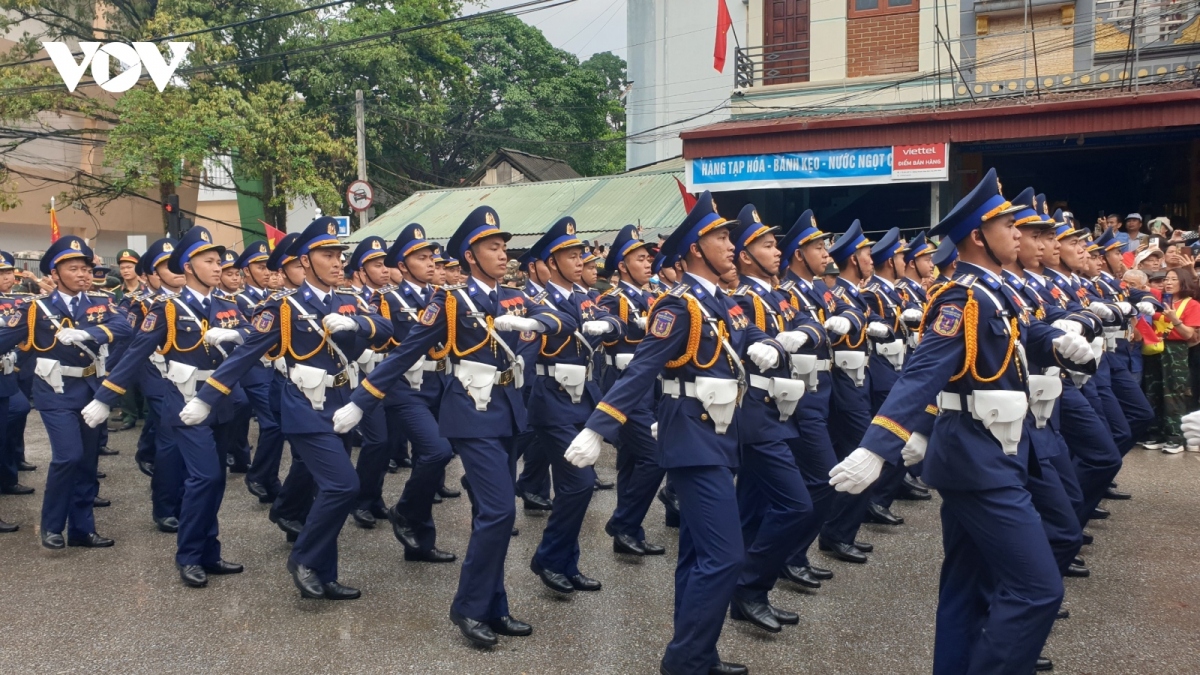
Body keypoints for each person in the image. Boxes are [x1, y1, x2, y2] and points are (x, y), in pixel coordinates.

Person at [837, 168, 1095, 675]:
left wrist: (1062, 341)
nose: (1020, 233)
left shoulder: (994, 293)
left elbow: (1023, 333)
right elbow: (924, 371)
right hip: (978, 461)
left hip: (989, 450)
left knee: (965, 588)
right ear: (978, 236)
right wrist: (878, 446)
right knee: (1037, 589)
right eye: (1008, 226)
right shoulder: (962, 296)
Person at [563, 191, 787, 675]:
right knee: (726, 557)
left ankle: (696, 655)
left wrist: (770, 344)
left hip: (720, 436)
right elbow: (642, 368)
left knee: (698, 556)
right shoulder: (678, 305)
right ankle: (685, 661)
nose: (731, 245)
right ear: (693, 251)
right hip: (691, 440)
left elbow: (749, 337)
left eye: (729, 236)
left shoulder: (725, 302)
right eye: (720, 237)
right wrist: (599, 426)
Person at [334, 206, 575, 646]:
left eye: (504, 248)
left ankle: (494, 605)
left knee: (495, 515)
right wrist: (361, 400)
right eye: (493, 248)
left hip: (509, 410)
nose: (504, 256)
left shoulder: (515, 297)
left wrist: (538, 321)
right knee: (500, 510)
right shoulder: (450, 301)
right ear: (469, 255)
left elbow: (567, 318)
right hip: (471, 413)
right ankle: (468, 607)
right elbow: (405, 354)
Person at [182, 217, 393, 600]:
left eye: (338, 255)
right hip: (305, 409)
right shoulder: (283, 306)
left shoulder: (349, 299)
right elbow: (245, 355)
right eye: (326, 255)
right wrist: (205, 398)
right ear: (305, 261)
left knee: (329, 488)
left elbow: (385, 328)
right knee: (343, 484)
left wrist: (357, 323)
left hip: (343, 404)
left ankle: (325, 574)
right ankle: (305, 558)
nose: (336, 262)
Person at [83, 226, 248, 588]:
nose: (217, 267)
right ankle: (188, 556)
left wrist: (238, 334)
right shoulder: (168, 309)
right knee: (203, 477)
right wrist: (103, 398)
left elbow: (258, 337)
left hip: (221, 402)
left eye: (219, 261)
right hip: (186, 403)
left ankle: (209, 551)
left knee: (215, 479)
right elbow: (134, 355)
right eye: (209, 261)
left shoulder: (227, 306)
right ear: (188, 266)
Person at [0, 236, 134, 550]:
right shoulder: (36, 310)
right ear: (55, 274)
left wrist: (88, 332)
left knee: (87, 461)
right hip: (55, 392)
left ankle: (82, 529)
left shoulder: (101, 303)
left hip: (91, 389)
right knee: (68, 456)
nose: (83, 274)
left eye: (87, 268)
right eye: (74, 268)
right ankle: (51, 526)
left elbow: (125, 329)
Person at [724, 204, 817, 633]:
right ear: (744, 255)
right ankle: (748, 584)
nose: (777, 251)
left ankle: (747, 592)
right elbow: (737, 340)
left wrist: (799, 333)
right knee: (796, 505)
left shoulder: (778, 293)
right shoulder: (739, 298)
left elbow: (809, 323)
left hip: (779, 410)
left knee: (753, 509)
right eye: (766, 245)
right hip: (755, 414)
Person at [598, 224, 666, 556]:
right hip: (625, 386)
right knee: (655, 456)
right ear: (623, 266)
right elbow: (607, 336)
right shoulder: (613, 299)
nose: (648, 263)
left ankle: (629, 533)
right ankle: (624, 523)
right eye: (640, 259)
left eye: (649, 258)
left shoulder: (654, 296)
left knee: (630, 459)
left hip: (651, 385)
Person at [1143, 266, 1200, 452]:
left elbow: (1189, 335)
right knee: (1153, 390)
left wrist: (1175, 319)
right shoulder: (1157, 300)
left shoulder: (1192, 305)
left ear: (1183, 282)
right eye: (1167, 279)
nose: (1168, 282)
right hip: (1154, 349)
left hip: (1176, 351)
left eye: (1173, 279)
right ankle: (1156, 432)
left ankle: (1176, 436)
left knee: (1174, 392)